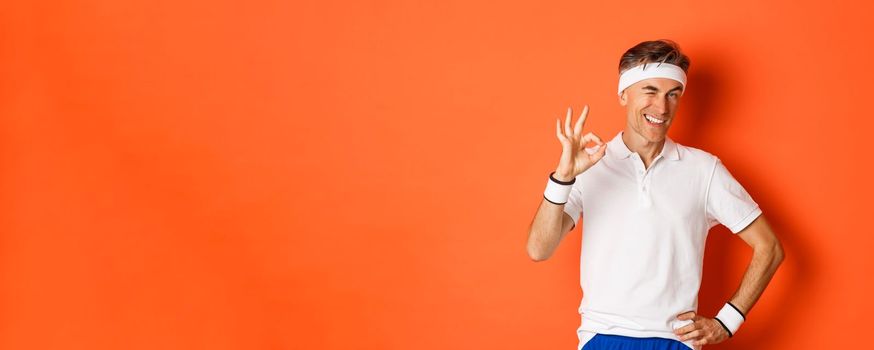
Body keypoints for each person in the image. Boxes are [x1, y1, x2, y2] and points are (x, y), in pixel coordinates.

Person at [525, 39, 785, 350]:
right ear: (623, 94)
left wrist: (727, 322)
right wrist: (563, 177)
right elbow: (538, 249)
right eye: (650, 91)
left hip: (673, 341)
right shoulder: (589, 166)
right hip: (602, 337)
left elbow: (769, 247)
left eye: (672, 94)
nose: (662, 108)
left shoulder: (704, 170)